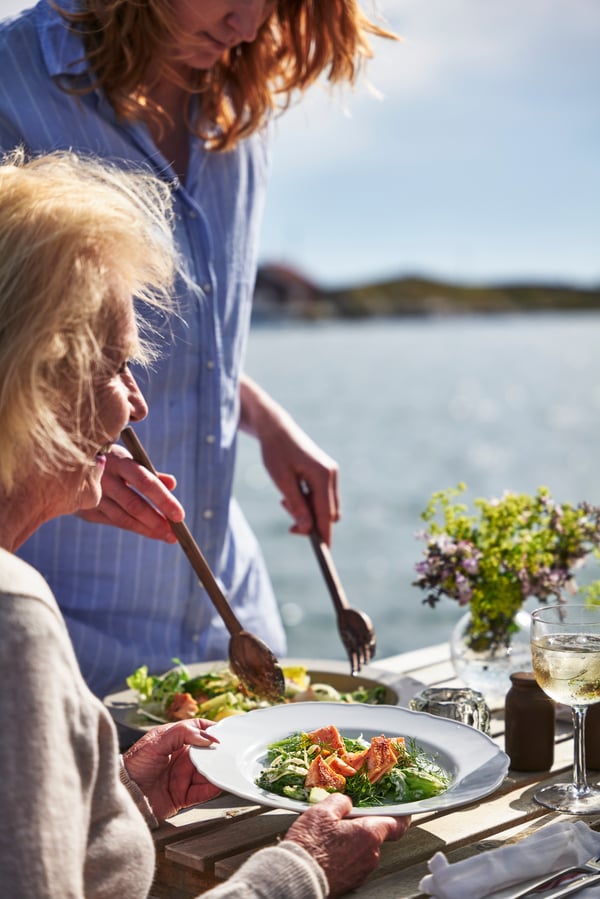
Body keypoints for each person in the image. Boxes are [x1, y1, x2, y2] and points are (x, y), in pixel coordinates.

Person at [0, 148, 411, 898]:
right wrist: (298, 871)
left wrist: (113, 801)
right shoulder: (13, 619)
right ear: (38, 379)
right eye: (119, 367)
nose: (138, 405)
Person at [0, 0, 397, 697]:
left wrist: (260, 416)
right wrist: (60, 461)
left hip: (231, 620)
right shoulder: (11, 79)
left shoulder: (240, 113)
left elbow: (191, 341)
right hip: (58, 628)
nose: (250, 23)